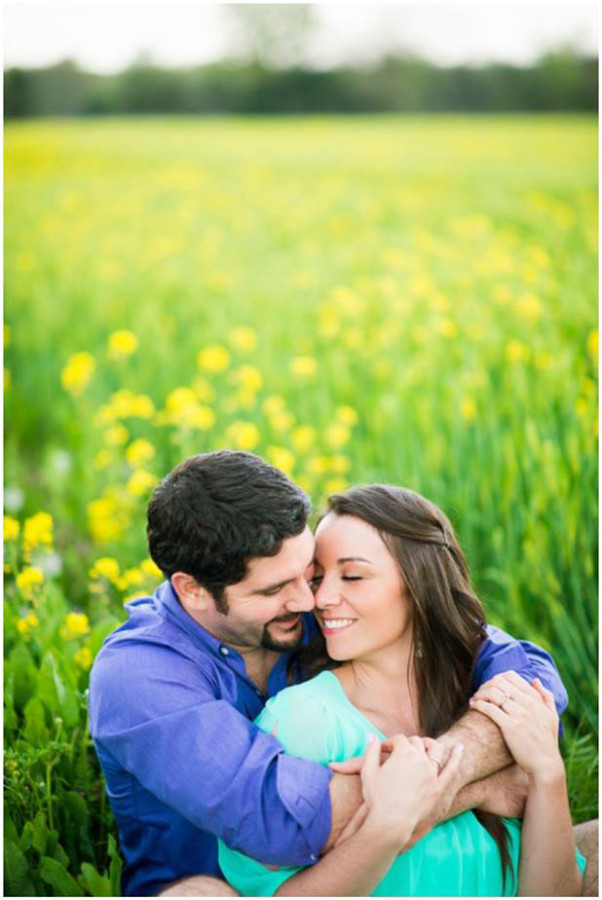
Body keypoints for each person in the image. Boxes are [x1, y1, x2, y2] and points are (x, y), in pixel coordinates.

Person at [88, 452, 569, 897]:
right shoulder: (138, 677)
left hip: (387, 865)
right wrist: (487, 785)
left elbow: (524, 675)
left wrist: (446, 766)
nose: (308, 600)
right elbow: (280, 823)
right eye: (277, 588)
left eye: (309, 572)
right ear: (192, 591)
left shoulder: (319, 612)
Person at [218, 484, 586, 896]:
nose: (320, 598)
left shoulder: (484, 709)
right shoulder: (302, 721)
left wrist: (547, 774)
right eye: (317, 578)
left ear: (419, 585)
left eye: (353, 576)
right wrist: (387, 827)